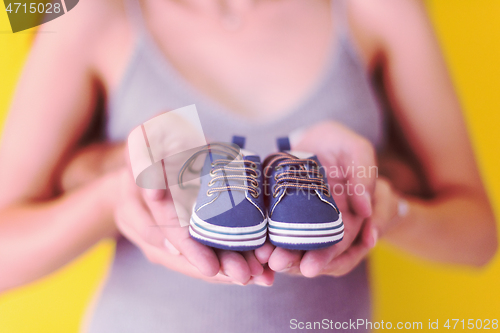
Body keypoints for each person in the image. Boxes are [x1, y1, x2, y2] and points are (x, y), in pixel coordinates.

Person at [0, 0, 497, 331]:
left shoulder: (381, 8)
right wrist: (113, 199)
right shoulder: (82, 10)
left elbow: (479, 238)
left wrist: (386, 208)